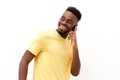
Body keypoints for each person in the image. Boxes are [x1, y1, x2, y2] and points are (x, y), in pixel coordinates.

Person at [19, 6, 82, 80]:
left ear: (74, 27)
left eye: (69, 22)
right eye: (62, 18)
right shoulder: (44, 36)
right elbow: (24, 60)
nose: (63, 22)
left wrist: (75, 47)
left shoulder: (71, 44)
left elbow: (75, 72)